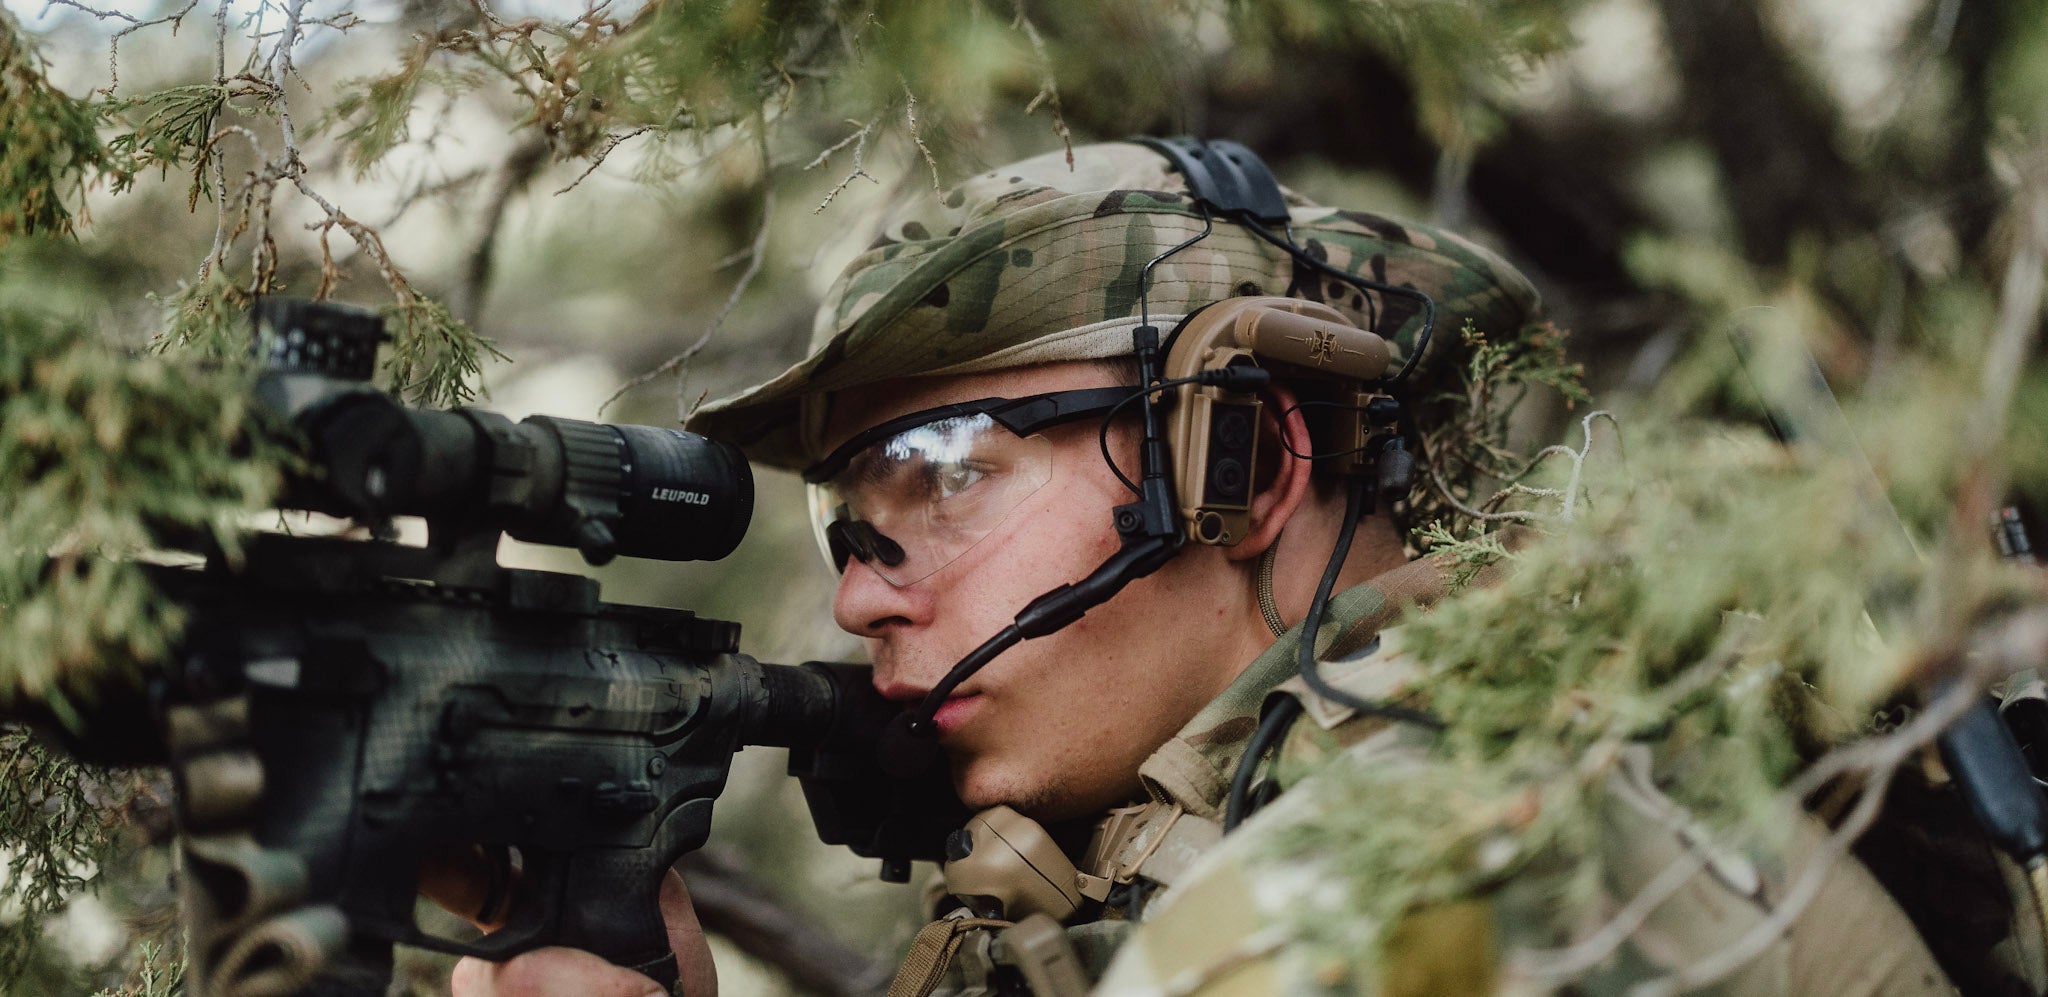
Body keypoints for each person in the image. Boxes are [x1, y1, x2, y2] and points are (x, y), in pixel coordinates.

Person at [447, 139, 1969, 997]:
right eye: (850, 513)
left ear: (1239, 464)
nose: (859, 593)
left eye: (949, 471)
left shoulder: (1460, 849)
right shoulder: (1202, 846)